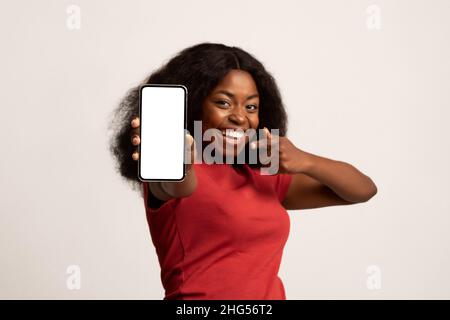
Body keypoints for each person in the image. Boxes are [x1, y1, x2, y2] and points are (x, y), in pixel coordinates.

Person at [108, 42, 377, 300]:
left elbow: (363, 190)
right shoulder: (169, 170)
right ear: (196, 105)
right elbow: (181, 186)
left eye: (251, 106)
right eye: (223, 103)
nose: (240, 117)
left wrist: (304, 160)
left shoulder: (262, 174)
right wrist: (181, 157)